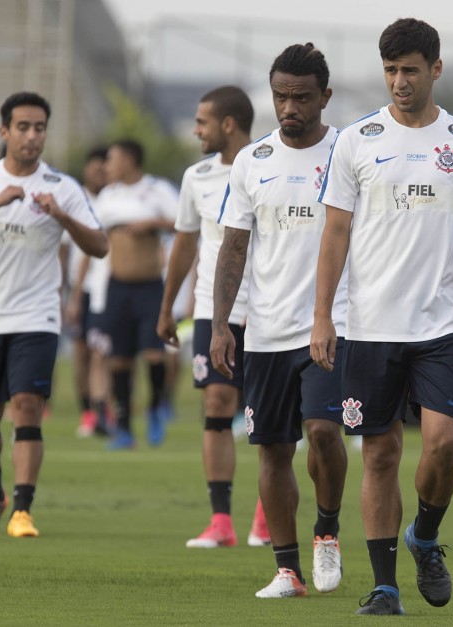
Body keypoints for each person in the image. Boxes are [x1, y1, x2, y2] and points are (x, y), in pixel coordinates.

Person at [312, 18, 453, 615]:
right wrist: (322, 316)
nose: (399, 81)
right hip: (368, 326)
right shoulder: (357, 139)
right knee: (381, 455)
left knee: (443, 445)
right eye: (391, 70)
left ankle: (425, 533)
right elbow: (335, 233)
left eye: (410, 70)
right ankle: (386, 586)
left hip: (442, 323)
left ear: (435, 69)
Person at [211, 43, 348, 599]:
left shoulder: (348, 153)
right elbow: (234, 247)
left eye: (301, 97)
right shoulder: (253, 160)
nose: (289, 107)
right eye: (280, 96)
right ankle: (287, 569)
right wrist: (223, 324)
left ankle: (328, 530)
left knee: (321, 431)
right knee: (271, 448)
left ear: (324, 97)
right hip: (265, 330)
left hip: (331, 324)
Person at [0, 91, 108, 536]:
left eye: (39, 128)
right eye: (23, 127)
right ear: (4, 131)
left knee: (28, 406)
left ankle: (22, 508)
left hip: (38, 317)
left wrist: (61, 218)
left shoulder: (61, 186)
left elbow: (100, 245)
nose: (32, 136)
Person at [157, 85, 270, 549]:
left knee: (268, 416)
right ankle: (220, 521)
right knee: (217, 406)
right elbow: (186, 243)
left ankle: (267, 519)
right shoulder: (196, 176)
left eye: (202, 122)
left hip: (267, 309)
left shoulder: (268, 165)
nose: (195, 130)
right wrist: (166, 307)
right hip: (211, 310)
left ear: (228, 124)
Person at [95, 139, 178, 449]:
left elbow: (183, 222)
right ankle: (124, 428)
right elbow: (92, 231)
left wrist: (152, 223)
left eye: (112, 159)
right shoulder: (107, 196)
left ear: (129, 160)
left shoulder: (157, 190)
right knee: (119, 361)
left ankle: (156, 408)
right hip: (117, 288)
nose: (107, 166)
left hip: (150, 288)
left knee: (155, 355)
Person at [65, 146, 110, 437]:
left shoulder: (115, 200)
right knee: (80, 353)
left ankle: (101, 411)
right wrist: (68, 294)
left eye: (103, 169)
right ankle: (87, 411)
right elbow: (64, 250)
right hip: (77, 289)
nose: (99, 174)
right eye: (94, 169)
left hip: (104, 288)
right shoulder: (73, 199)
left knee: (101, 353)